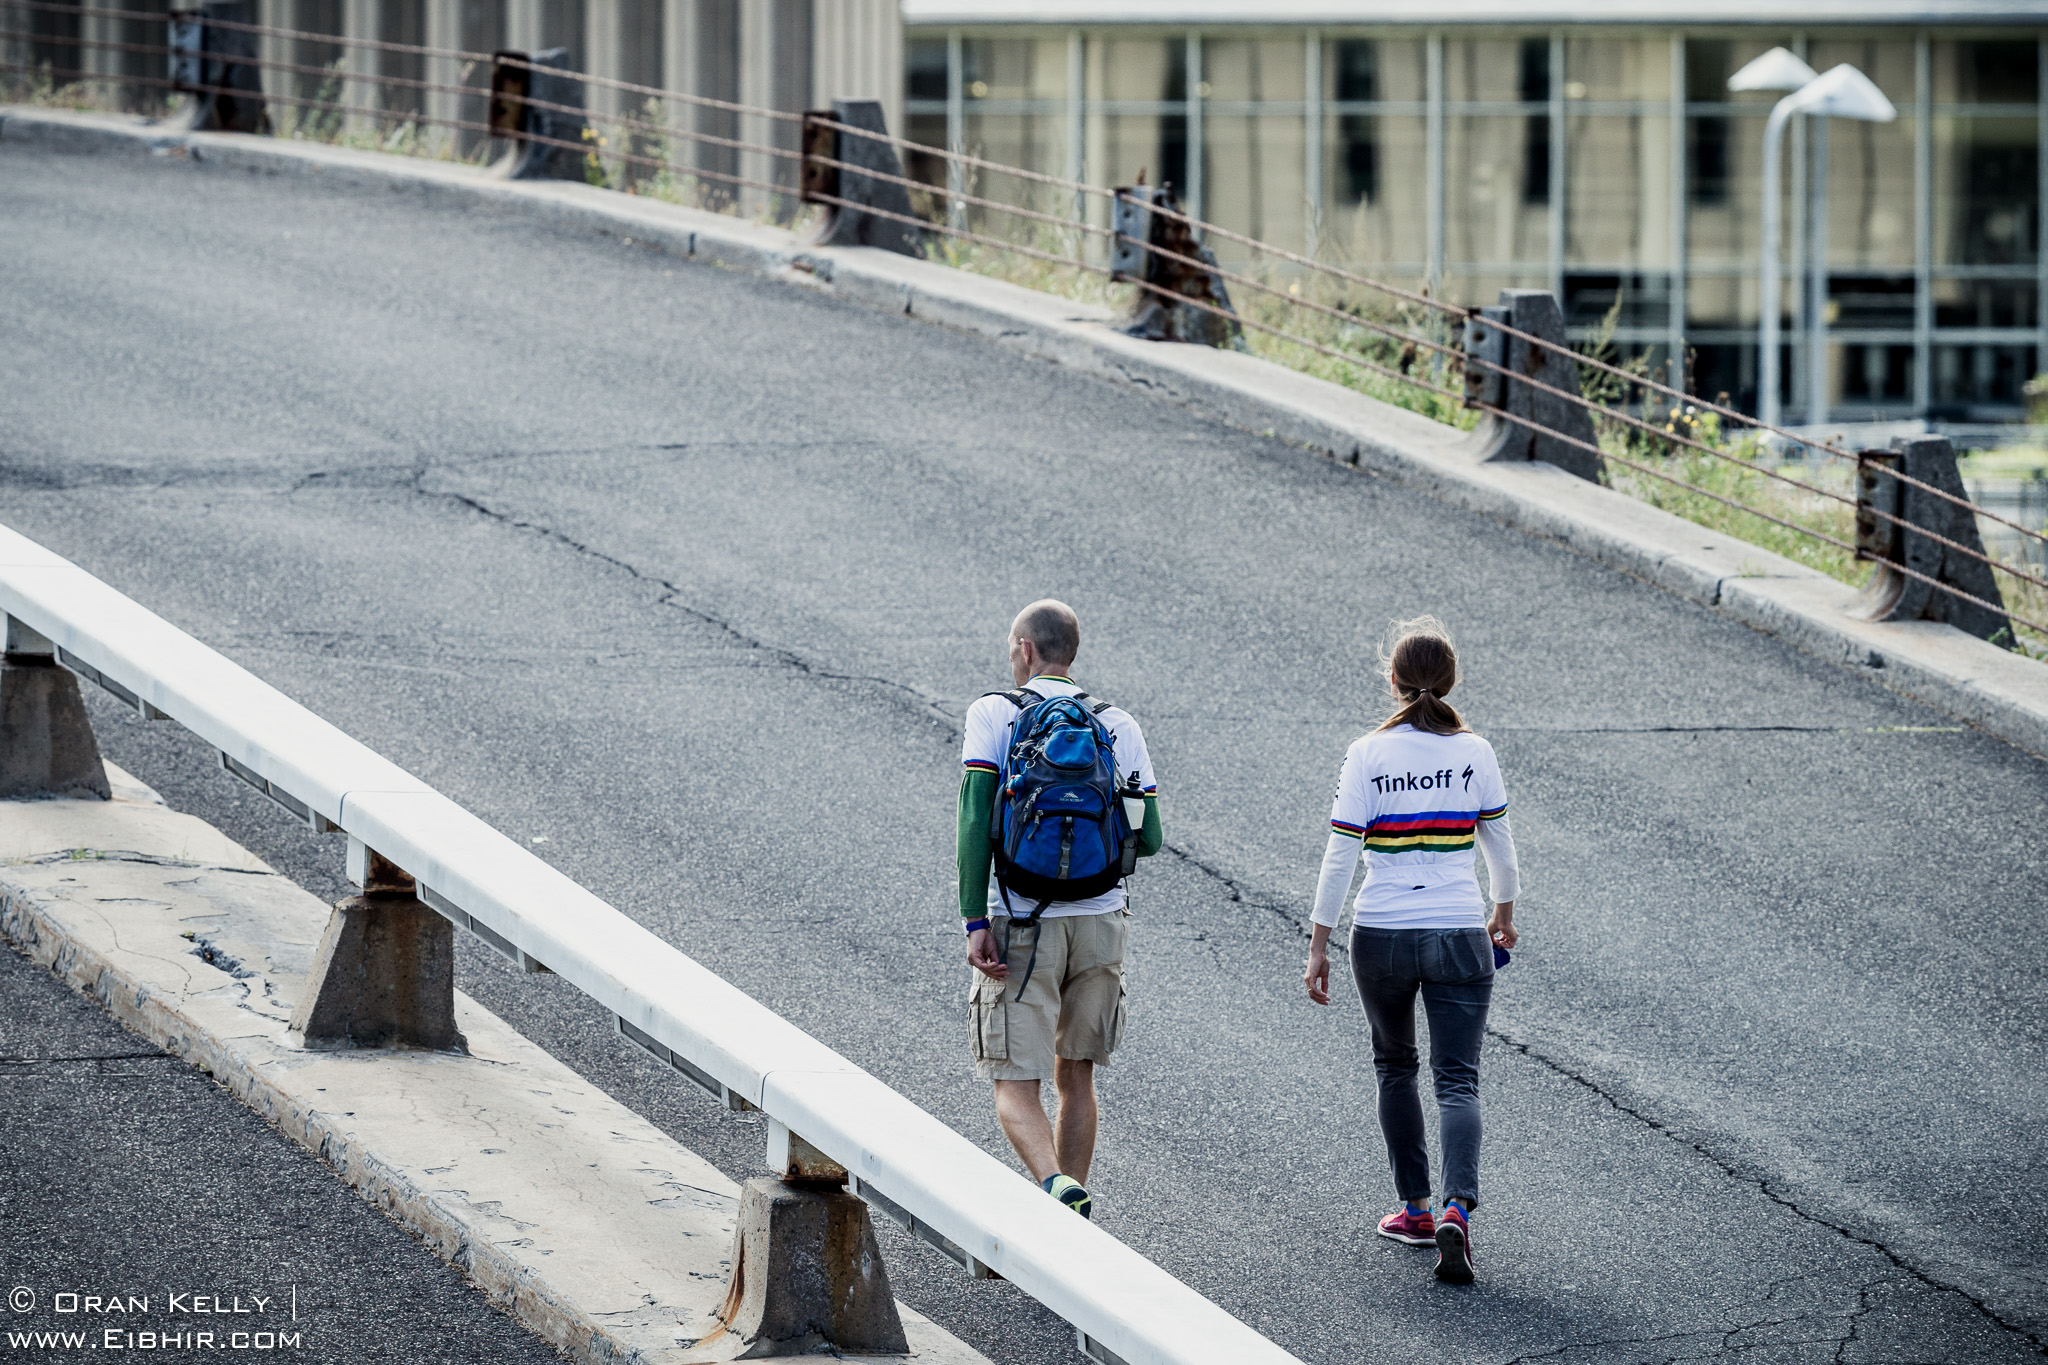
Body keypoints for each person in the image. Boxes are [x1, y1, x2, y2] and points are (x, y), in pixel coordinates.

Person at [1302, 617, 1520, 1285]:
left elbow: (1341, 854)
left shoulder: (1367, 754)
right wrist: (1502, 911)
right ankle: (1459, 1206)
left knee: (1395, 1065)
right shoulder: (1475, 751)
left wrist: (1319, 941)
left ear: (1392, 682)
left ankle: (1416, 1209)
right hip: (1459, 929)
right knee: (1458, 1077)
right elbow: (1500, 847)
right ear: (1450, 682)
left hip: (1382, 933)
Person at [958, 599, 1162, 1220]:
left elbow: (974, 819)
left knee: (1014, 1080)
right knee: (1076, 1075)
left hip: (1022, 917)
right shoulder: (1116, 723)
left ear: (1024, 649)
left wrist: (974, 919)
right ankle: (1072, 1203)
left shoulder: (994, 712)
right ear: (1071, 652)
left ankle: (1052, 1185)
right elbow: (1149, 837)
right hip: (1101, 922)